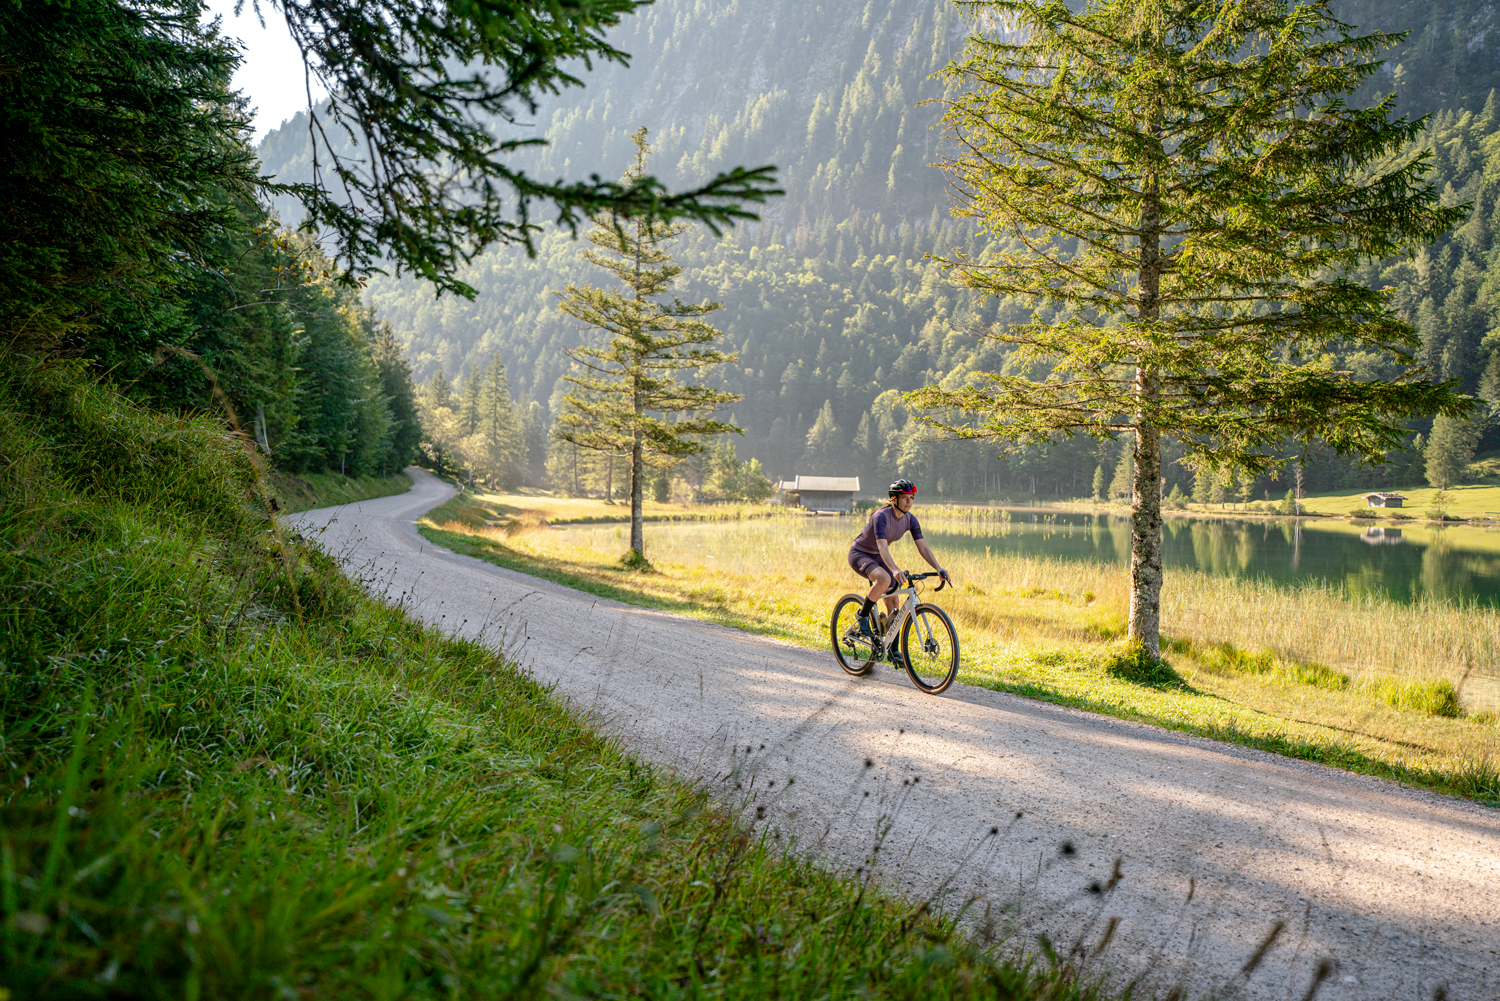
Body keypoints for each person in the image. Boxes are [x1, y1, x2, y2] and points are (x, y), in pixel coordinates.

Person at [847, 478, 948, 640]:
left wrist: (938, 567)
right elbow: (882, 547)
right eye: (904, 498)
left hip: (879, 557)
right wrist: (894, 569)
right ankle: (863, 616)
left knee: (894, 602)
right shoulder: (881, 516)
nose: (909, 502)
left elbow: (922, 547)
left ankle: (891, 646)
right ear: (894, 499)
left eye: (911, 498)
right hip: (860, 554)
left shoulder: (910, 519)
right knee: (884, 578)